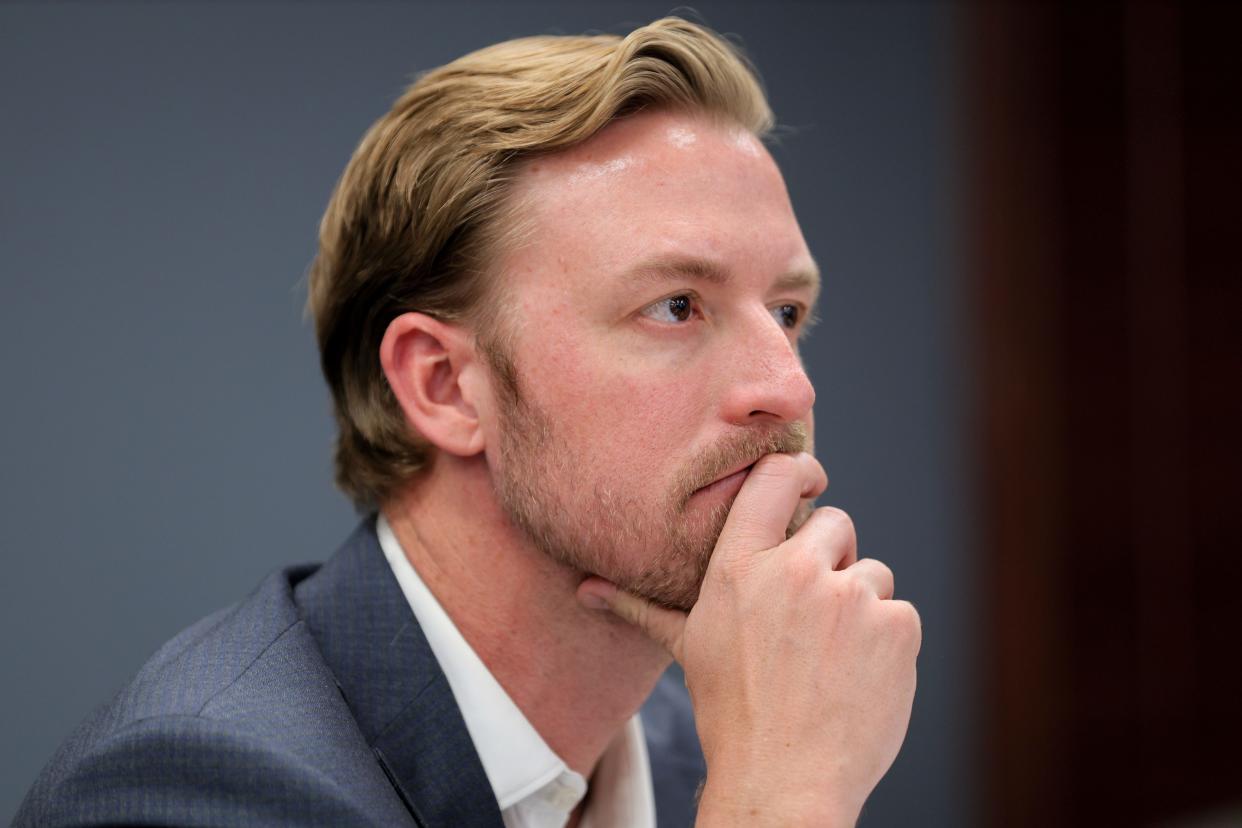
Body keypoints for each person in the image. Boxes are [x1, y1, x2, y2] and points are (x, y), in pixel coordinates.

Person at [16, 17, 920, 828]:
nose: (788, 387)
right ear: (444, 384)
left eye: (788, 313)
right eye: (677, 306)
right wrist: (780, 804)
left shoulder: (706, 744)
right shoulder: (200, 788)